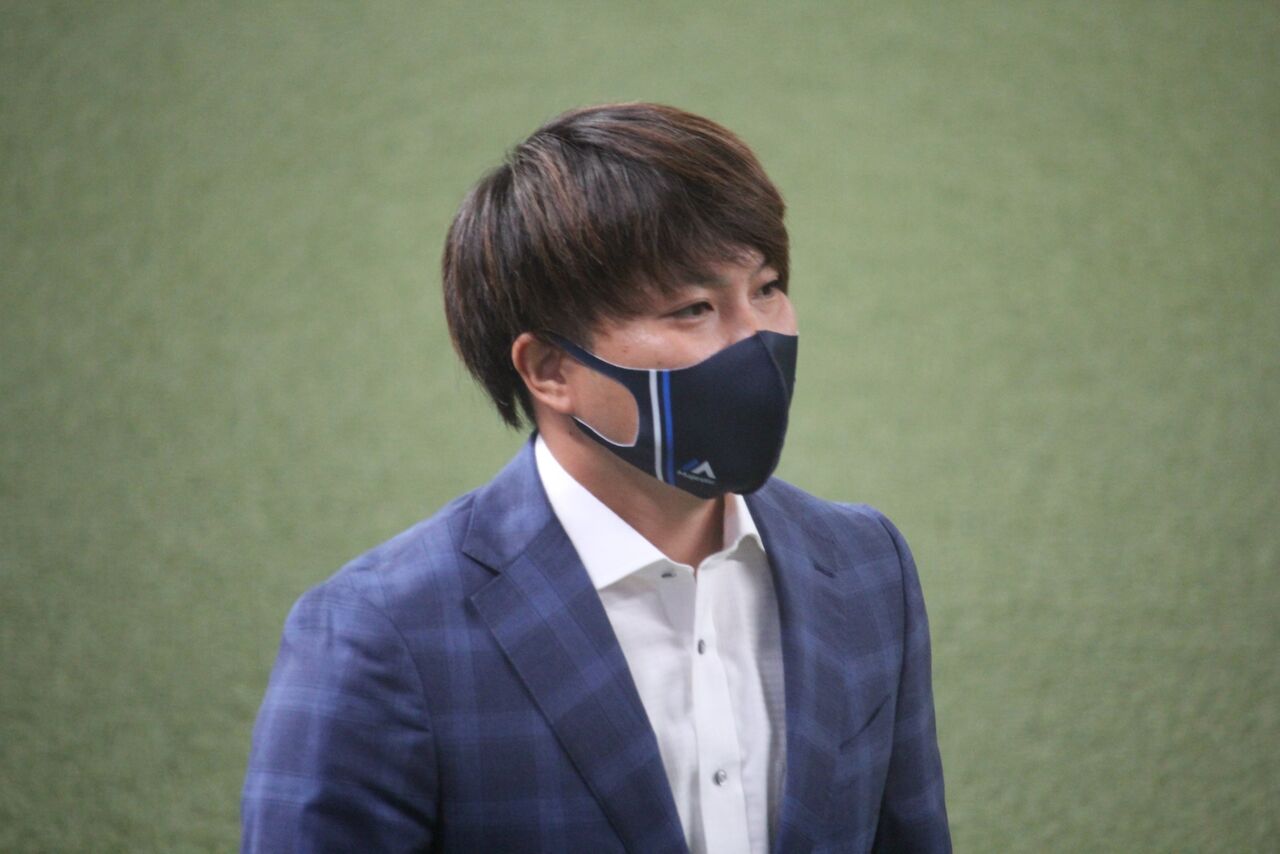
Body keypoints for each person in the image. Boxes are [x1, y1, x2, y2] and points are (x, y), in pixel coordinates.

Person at [241, 102, 950, 853]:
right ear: (551, 369)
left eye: (767, 288)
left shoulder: (866, 567)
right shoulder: (380, 634)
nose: (756, 338)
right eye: (694, 308)